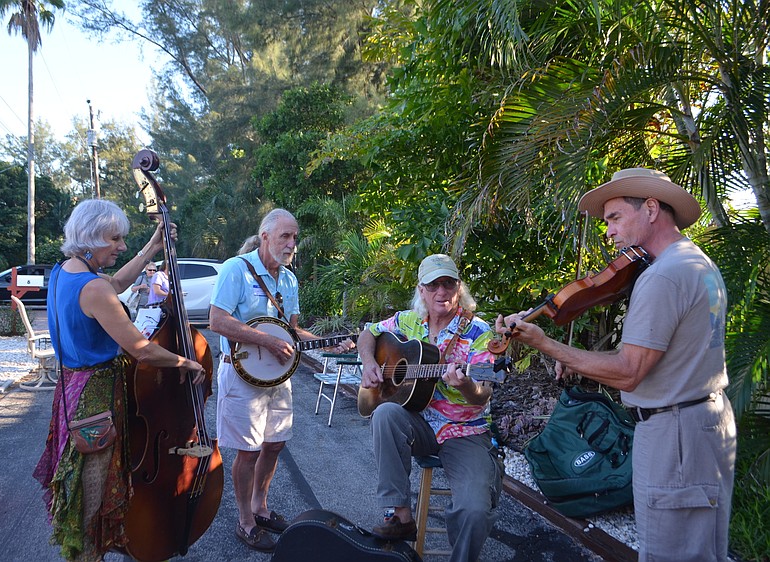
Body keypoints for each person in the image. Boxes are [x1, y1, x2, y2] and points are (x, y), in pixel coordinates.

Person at [495, 168, 736, 562]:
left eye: (615, 218)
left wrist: (547, 344)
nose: (608, 232)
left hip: (675, 435)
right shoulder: (693, 261)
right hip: (700, 424)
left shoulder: (663, 276)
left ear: (652, 209)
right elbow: (660, 360)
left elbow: (629, 370)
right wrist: (585, 364)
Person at [33, 199, 207, 562]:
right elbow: (141, 350)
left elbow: (113, 283)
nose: (122, 246)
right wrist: (185, 361)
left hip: (73, 391)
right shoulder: (92, 289)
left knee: (83, 491)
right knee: (91, 499)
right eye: (115, 239)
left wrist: (151, 248)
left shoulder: (67, 271)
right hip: (95, 402)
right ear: (91, 238)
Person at [209, 208, 353, 552]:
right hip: (241, 372)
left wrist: (327, 341)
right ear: (265, 237)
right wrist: (268, 341)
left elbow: (292, 332)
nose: (291, 244)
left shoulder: (289, 280)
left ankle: (260, 507)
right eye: (285, 236)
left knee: (275, 444)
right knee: (247, 451)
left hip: (278, 377)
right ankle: (245, 521)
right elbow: (217, 321)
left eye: (294, 237)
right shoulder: (236, 270)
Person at [357, 253, 503, 562]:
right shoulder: (408, 321)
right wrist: (370, 363)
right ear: (421, 290)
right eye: (433, 285)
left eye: (448, 284)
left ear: (458, 287)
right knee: (384, 413)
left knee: (475, 510)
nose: (441, 292)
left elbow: (483, 393)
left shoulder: (479, 332)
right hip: (420, 423)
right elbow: (368, 333)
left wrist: (464, 384)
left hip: (464, 431)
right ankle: (400, 514)